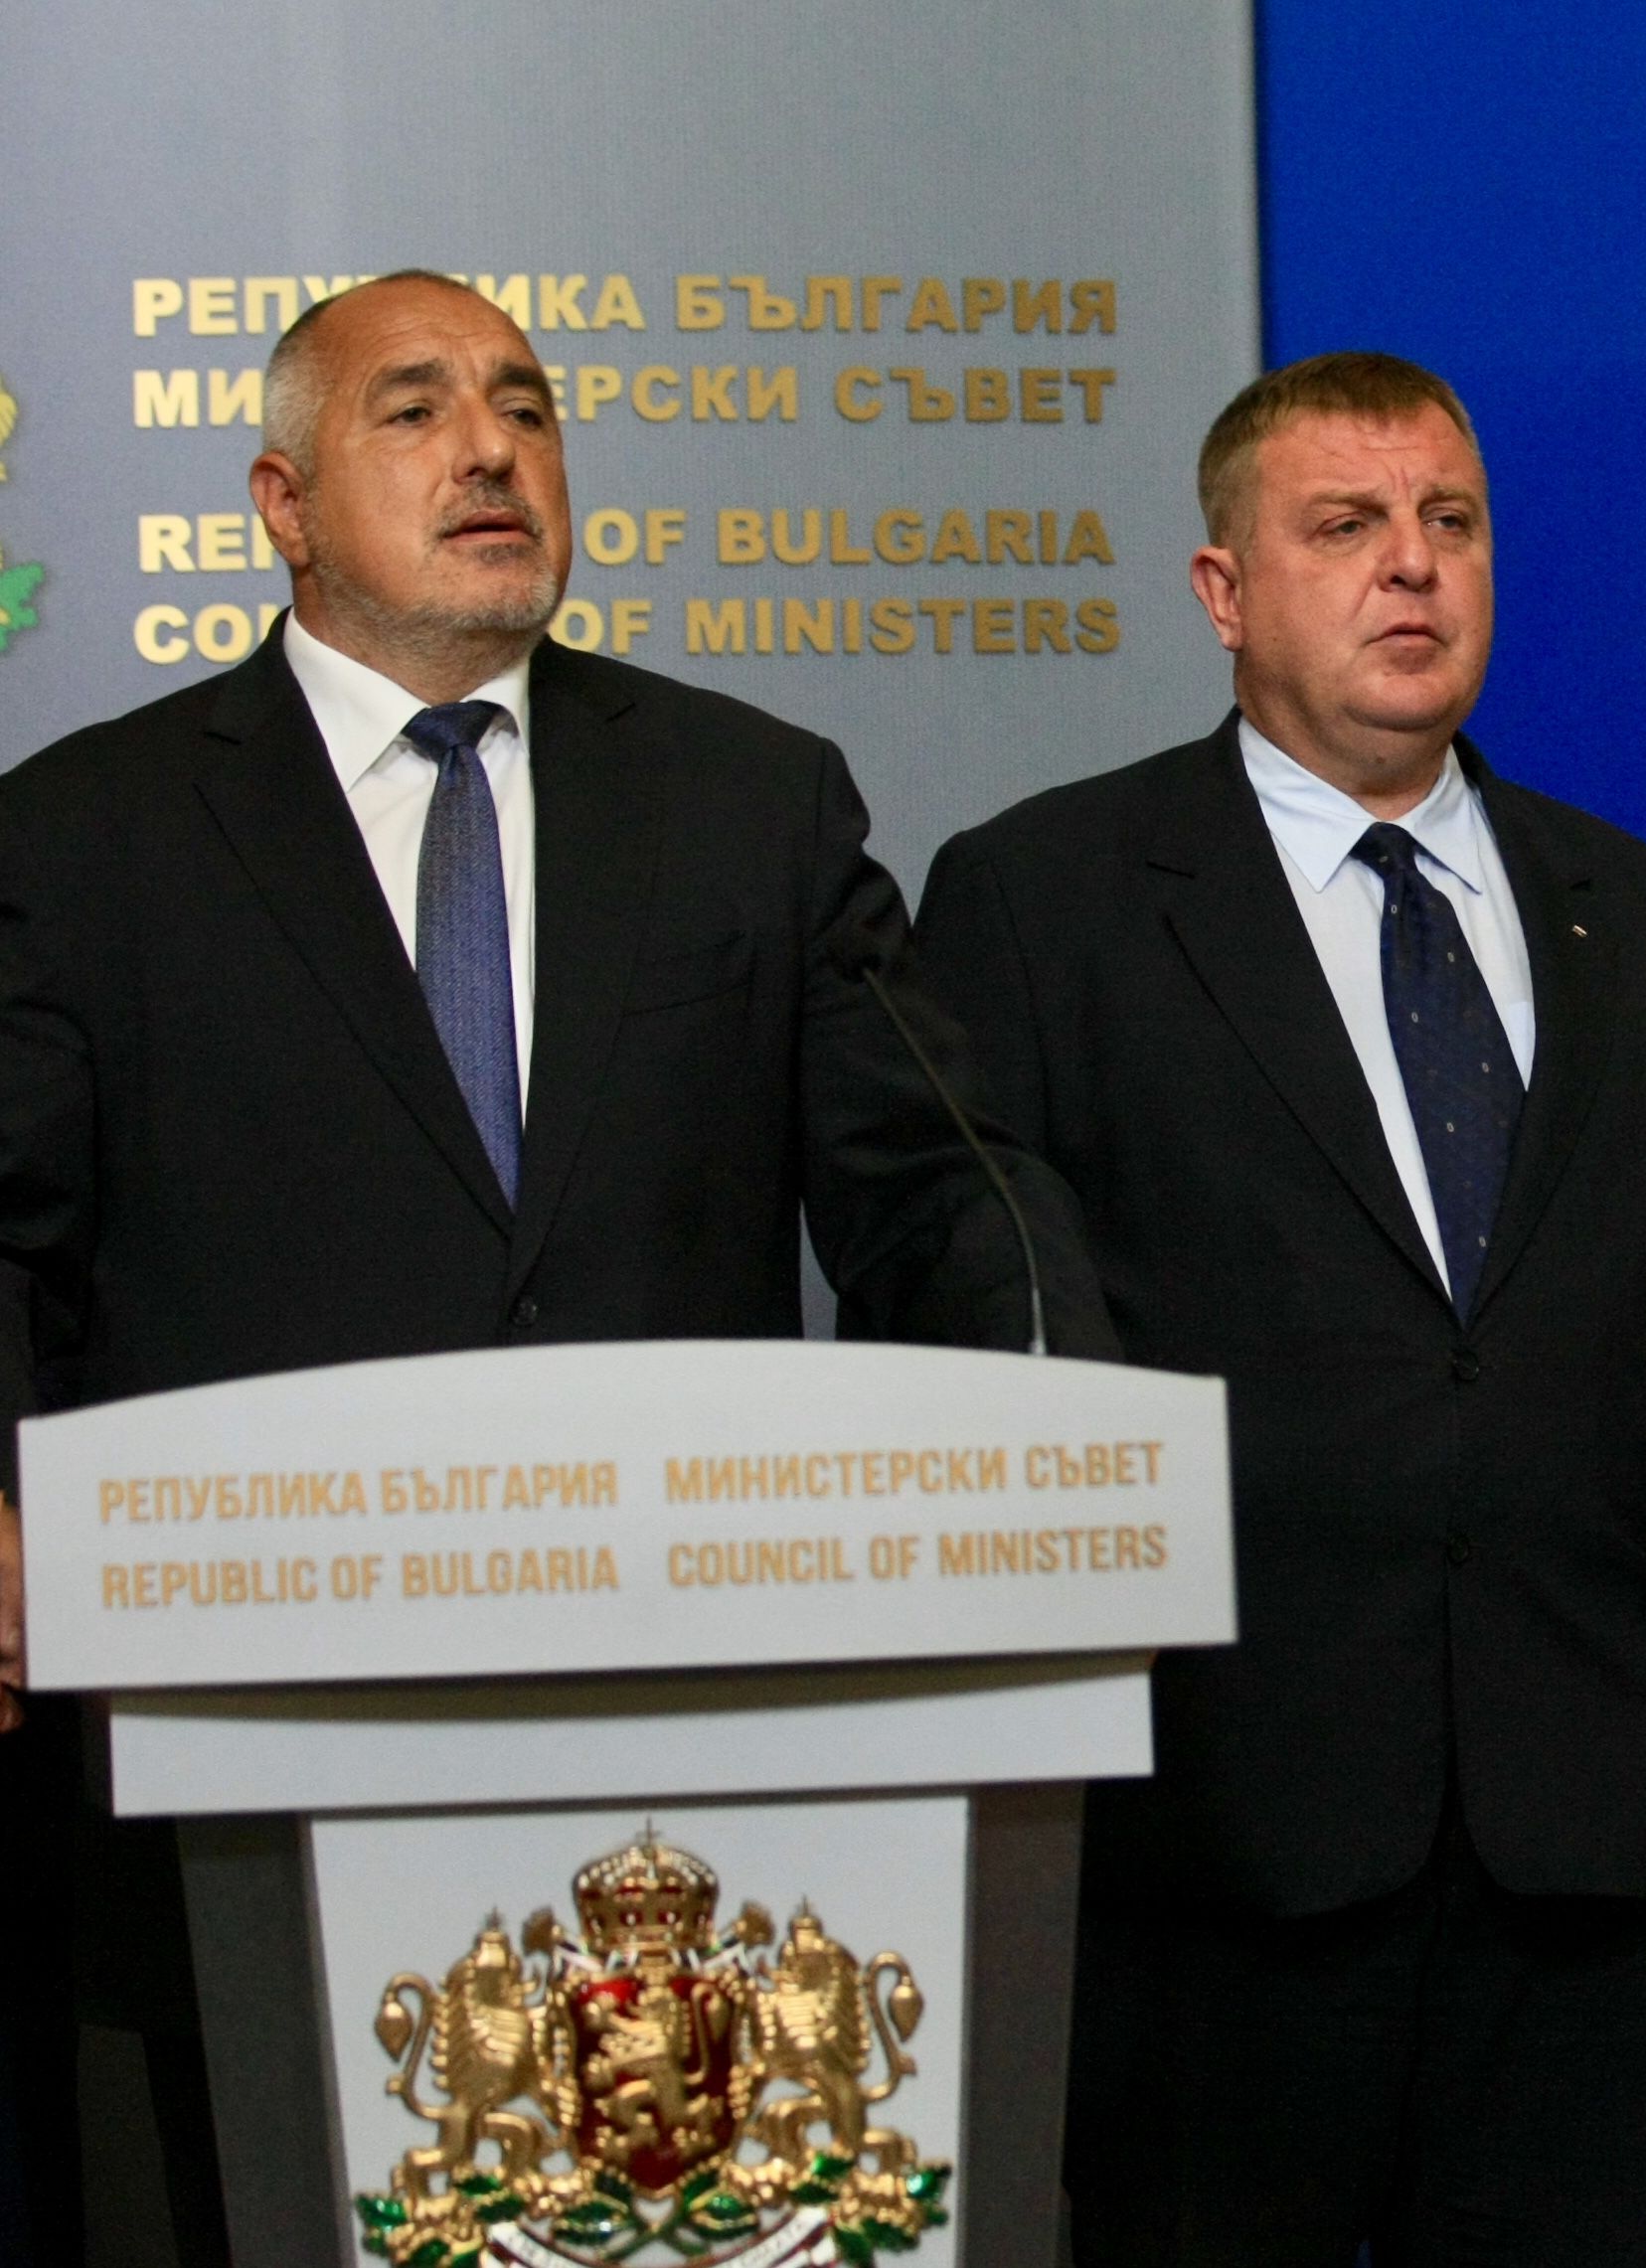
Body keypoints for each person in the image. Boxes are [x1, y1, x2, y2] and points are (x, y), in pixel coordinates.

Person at [0, 268, 1109, 2266]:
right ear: (281, 503)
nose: (492, 448)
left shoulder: (744, 796)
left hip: (695, 1777)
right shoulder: (87, 833)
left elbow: (939, 1188)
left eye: (525, 406)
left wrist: (1054, 1441)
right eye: (415, 409)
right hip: (229, 1791)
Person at [905, 350, 1646, 2265]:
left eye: (1450, 523)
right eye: (1344, 526)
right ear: (1222, 590)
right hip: (1214, 1822)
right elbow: (971, 1360)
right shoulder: (1042, 897)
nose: (1411, 567)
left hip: (1576, 1814)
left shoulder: (1644, 913)